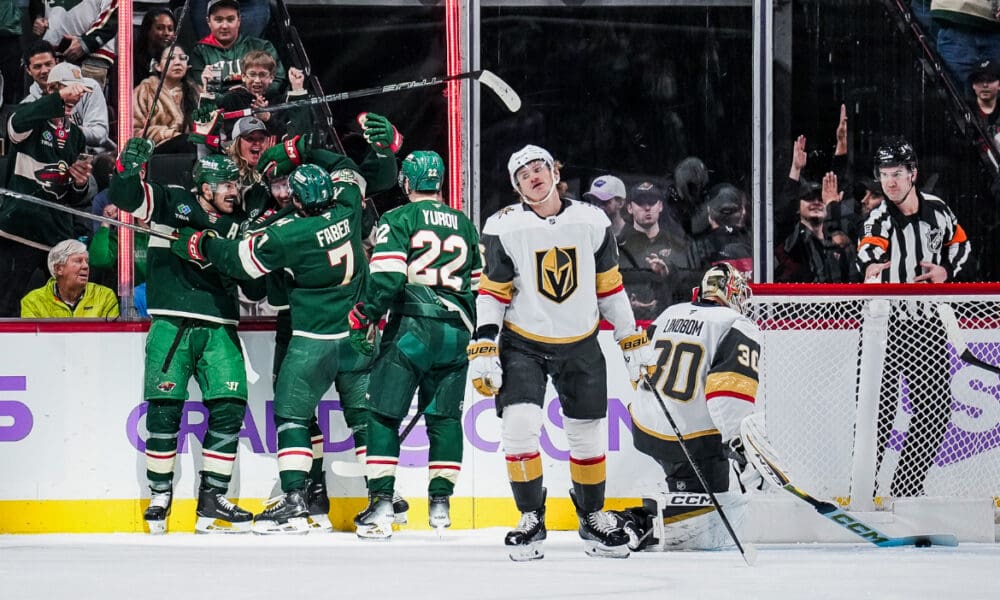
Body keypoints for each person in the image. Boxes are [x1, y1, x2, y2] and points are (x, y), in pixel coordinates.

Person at [469, 144, 654, 560]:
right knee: (519, 425)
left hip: (581, 341)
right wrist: (484, 343)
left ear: (554, 170)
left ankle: (591, 516)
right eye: (523, 175)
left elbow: (609, 286)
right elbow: (493, 293)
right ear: (516, 187)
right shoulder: (503, 227)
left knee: (587, 434)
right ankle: (531, 516)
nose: (533, 177)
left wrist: (631, 337)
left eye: (538, 168)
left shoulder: (591, 219)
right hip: (523, 343)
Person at [171, 164, 373, 534]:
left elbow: (240, 263)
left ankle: (295, 499)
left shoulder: (289, 233)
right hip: (355, 338)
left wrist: (202, 243)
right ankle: (383, 500)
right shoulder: (348, 205)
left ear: (296, 199)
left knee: (293, 417)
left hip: (312, 340)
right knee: (363, 418)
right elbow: (347, 172)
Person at [109, 139, 254, 534]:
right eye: (226, 185)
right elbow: (127, 198)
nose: (233, 191)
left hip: (221, 325)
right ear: (205, 188)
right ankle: (160, 496)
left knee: (228, 408)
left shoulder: (241, 224)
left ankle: (213, 500)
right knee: (164, 411)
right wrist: (126, 170)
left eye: (235, 185)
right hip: (171, 321)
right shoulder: (173, 199)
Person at [349, 151, 482, 539]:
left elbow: (388, 276)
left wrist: (367, 312)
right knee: (444, 419)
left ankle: (382, 504)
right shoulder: (464, 223)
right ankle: (440, 506)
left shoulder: (399, 218)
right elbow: (477, 284)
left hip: (413, 326)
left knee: (382, 415)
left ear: (407, 182)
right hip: (457, 332)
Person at [612, 263, 760, 551]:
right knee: (718, 518)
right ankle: (635, 521)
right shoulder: (736, 324)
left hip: (645, 425)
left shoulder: (670, 313)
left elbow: (639, 372)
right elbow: (727, 394)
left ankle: (651, 518)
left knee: (701, 493)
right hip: (693, 439)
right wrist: (741, 444)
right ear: (730, 292)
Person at [858, 138, 972, 497]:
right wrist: (871, 266)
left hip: (927, 327)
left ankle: (906, 489)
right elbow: (868, 254)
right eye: (884, 175)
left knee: (935, 412)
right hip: (884, 330)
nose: (889, 182)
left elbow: (962, 245)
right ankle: (864, 489)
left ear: (913, 174)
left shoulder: (939, 210)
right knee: (876, 414)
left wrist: (945, 272)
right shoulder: (877, 218)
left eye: (897, 174)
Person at [0, 63, 91, 317]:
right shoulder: (31, 117)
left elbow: (73, 197)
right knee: (7, 303)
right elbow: (14, 127)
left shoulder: (77, 136)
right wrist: (58, 98)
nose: (77, 96)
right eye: (70, 91)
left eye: (79, 92)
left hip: (57, 236)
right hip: (20, 231)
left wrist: (80, 182)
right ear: (52, 89)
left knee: (60, 307)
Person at [617, 181, 686, 321]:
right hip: (628, 323)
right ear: (629, 208)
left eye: (652, 202)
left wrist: (668, 274)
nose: (647, 207)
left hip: (669, 322)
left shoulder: (678, 244)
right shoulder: (617, 246)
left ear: (660, 206)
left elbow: (688, 286)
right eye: (640, 203)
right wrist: (625, 305)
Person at [21, 42, 109, 151]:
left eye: (48, 64)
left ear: (56, 62)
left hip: (91, 157)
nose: (44, 71)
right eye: (37, 66)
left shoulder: (89, 88)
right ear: (28, 70)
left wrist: (70, 130)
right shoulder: (28, 105)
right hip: (51, 160)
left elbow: (100, 135)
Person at [189, 0, 286, 99]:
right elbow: (200, 91)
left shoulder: (263, 47)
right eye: (218, 20)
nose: (225, 26)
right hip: (219, 110)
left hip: (259, 105)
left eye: (230, 19)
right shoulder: (199, 53)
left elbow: (278, 80)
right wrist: (231, 99)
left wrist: (250, 95)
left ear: (239, 20)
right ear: (208, 22)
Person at [20, 239, 119, 318]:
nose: (85, 266)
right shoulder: (32, 301)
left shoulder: (105, 296)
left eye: (86, 261)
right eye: (78, 261)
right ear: (59, 269)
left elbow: (111, 340)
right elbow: (34, 342)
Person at [30, 0, 118, 87]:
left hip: (92, 55)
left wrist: (86, 43)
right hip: (52, 53)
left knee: (86, 99)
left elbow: (114, 14)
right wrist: (38, 17)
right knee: (50, 99)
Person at [133, 45, 199, 153]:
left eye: (182, 58)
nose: (178, 62)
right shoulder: (145, 90)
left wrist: (206, 88)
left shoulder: (194, 92)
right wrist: (168, 134)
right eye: (171, 58)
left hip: (187, 149)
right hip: (153, 151)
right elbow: (134, 131)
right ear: (158, 66)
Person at [134, 7, 176, 84]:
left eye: (170, 29)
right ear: (147, 30)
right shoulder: (130, 61)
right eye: (160, 28)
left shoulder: (177, 61)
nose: (166, 33)